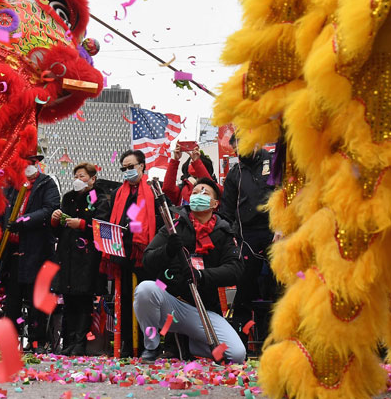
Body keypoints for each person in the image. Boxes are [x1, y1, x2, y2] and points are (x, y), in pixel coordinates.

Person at [135, 178, 246, 363]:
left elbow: (235, 269)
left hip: (203, 310)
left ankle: (191, 345)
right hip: (171, 305)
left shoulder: (224, 233)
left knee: (235, 354)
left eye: (204, 193)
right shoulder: (173, 227)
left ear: (215, 204)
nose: (198, 196)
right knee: (145, 289)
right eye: (195, 192)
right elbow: (147, 260)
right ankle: (152, 346)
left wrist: (202, 276)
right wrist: (167, 251)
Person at [218, 139, 277, 345]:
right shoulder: (235, 173)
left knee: (278, 285)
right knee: (244, 287)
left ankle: (279, 338)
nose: (239, 151)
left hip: (275, 232)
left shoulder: (275, 162)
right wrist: (225, 236)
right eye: (235, 149)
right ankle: (240, 342)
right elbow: (226, 210)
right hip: (247, 235)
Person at [0, 152, 60, 351]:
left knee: (37, 300)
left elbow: (50, 209)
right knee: (12, 300)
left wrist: (24, 221)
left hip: (38, 251)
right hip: (14, 252)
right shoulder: (12, 187)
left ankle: (37, 341)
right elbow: (3, 213)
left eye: (32, 163)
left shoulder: (47, 184)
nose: (28, 167)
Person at [51, 163, 110, 355]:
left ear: (92, 179)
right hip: (67, 256)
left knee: (83, 299)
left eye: (83, 176)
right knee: (68, 299)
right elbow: (58, 230)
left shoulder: (99, 198)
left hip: (87, 258)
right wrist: (55, 219)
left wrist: (82, 224)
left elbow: (102, 226)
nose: (78, 179)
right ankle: (67, 341)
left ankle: (80, 342)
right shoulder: (68, 197)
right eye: (76, 175)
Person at [105, 150, 158, 357]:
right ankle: (127, 343)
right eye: (124, 168)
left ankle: (150, 345)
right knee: (125, 299)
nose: (127, 171)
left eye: (131, 166)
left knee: (146, 302)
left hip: (146, 252)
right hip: (123, 252)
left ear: (142, 165)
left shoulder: (153, 189)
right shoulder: (119, 193)